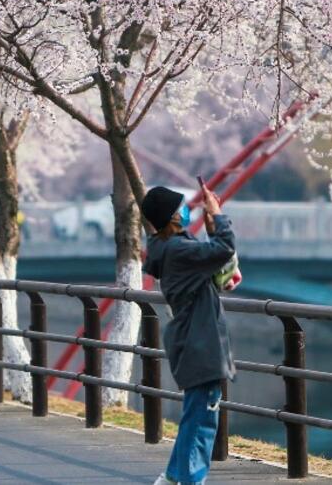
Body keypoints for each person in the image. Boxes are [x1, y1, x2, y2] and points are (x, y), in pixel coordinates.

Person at [142, 183, 237, 485]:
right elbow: (224, 249)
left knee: (194, 414)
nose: (186, 211)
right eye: (181, 207)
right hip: (201, 342)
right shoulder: (178, 249)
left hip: (191, 339)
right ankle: (190, 480)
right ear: (172, 216)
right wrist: (218, 216)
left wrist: (210, 227)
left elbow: (209, 258)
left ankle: (173, 477)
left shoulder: (167, 248)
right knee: (202, 419)